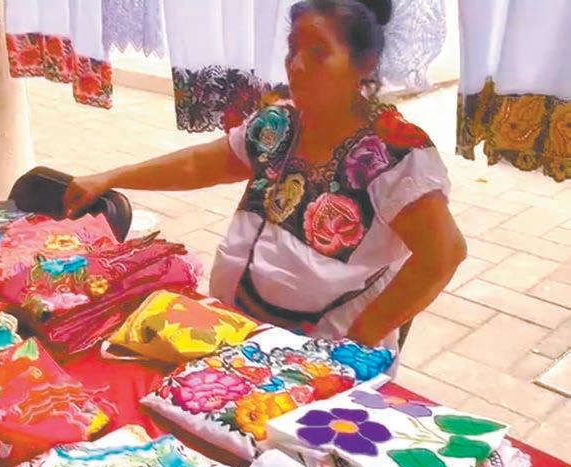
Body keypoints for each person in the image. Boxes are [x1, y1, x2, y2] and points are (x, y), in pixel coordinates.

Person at [64, 0, 467, 351]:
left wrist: (359, 340)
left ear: (365, 64)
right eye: (293, 48)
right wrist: (111, 177)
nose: (297, 65)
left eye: (318, 52)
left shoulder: (393, 153)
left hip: (322, 363)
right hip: (239, 339)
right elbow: (199, 165)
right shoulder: (281, 124)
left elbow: (442, 255)